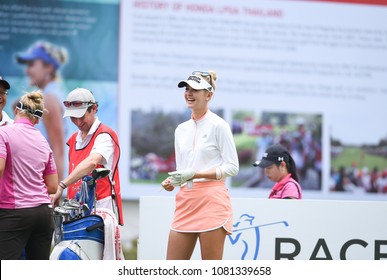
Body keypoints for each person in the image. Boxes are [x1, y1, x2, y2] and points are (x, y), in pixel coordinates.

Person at [161, 70, 239, 260]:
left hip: (211, 201)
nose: (189, 93)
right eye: (187, 89)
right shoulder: (181, 130)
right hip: (186, 201)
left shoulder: (219, 125)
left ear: (209, 95)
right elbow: (183, 170)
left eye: (195, 89)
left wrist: (194, 175)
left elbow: (232, 167)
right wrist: (172, 181)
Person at [51, 88, 124, 259]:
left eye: (82, 115)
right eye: (73, 117)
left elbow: (92, 162)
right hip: (75, 210)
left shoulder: (105, 135)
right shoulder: (73, 139)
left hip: (100, 210)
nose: (77, 121)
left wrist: (62, 185)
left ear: (94, 108)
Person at [0, 91, 58, 260]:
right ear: (38, 119)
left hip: (14, 212)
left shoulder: (4, 133)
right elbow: (53, 186)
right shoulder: (43, 141)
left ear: (17, 110)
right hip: (44, 214)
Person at [16, 41, 69, 181]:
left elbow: (58, 151)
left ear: (49, 67)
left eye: (31, 64)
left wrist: (54, 193)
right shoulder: (48, 95)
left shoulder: (49, 99)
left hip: (44, 189)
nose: (27, 71)